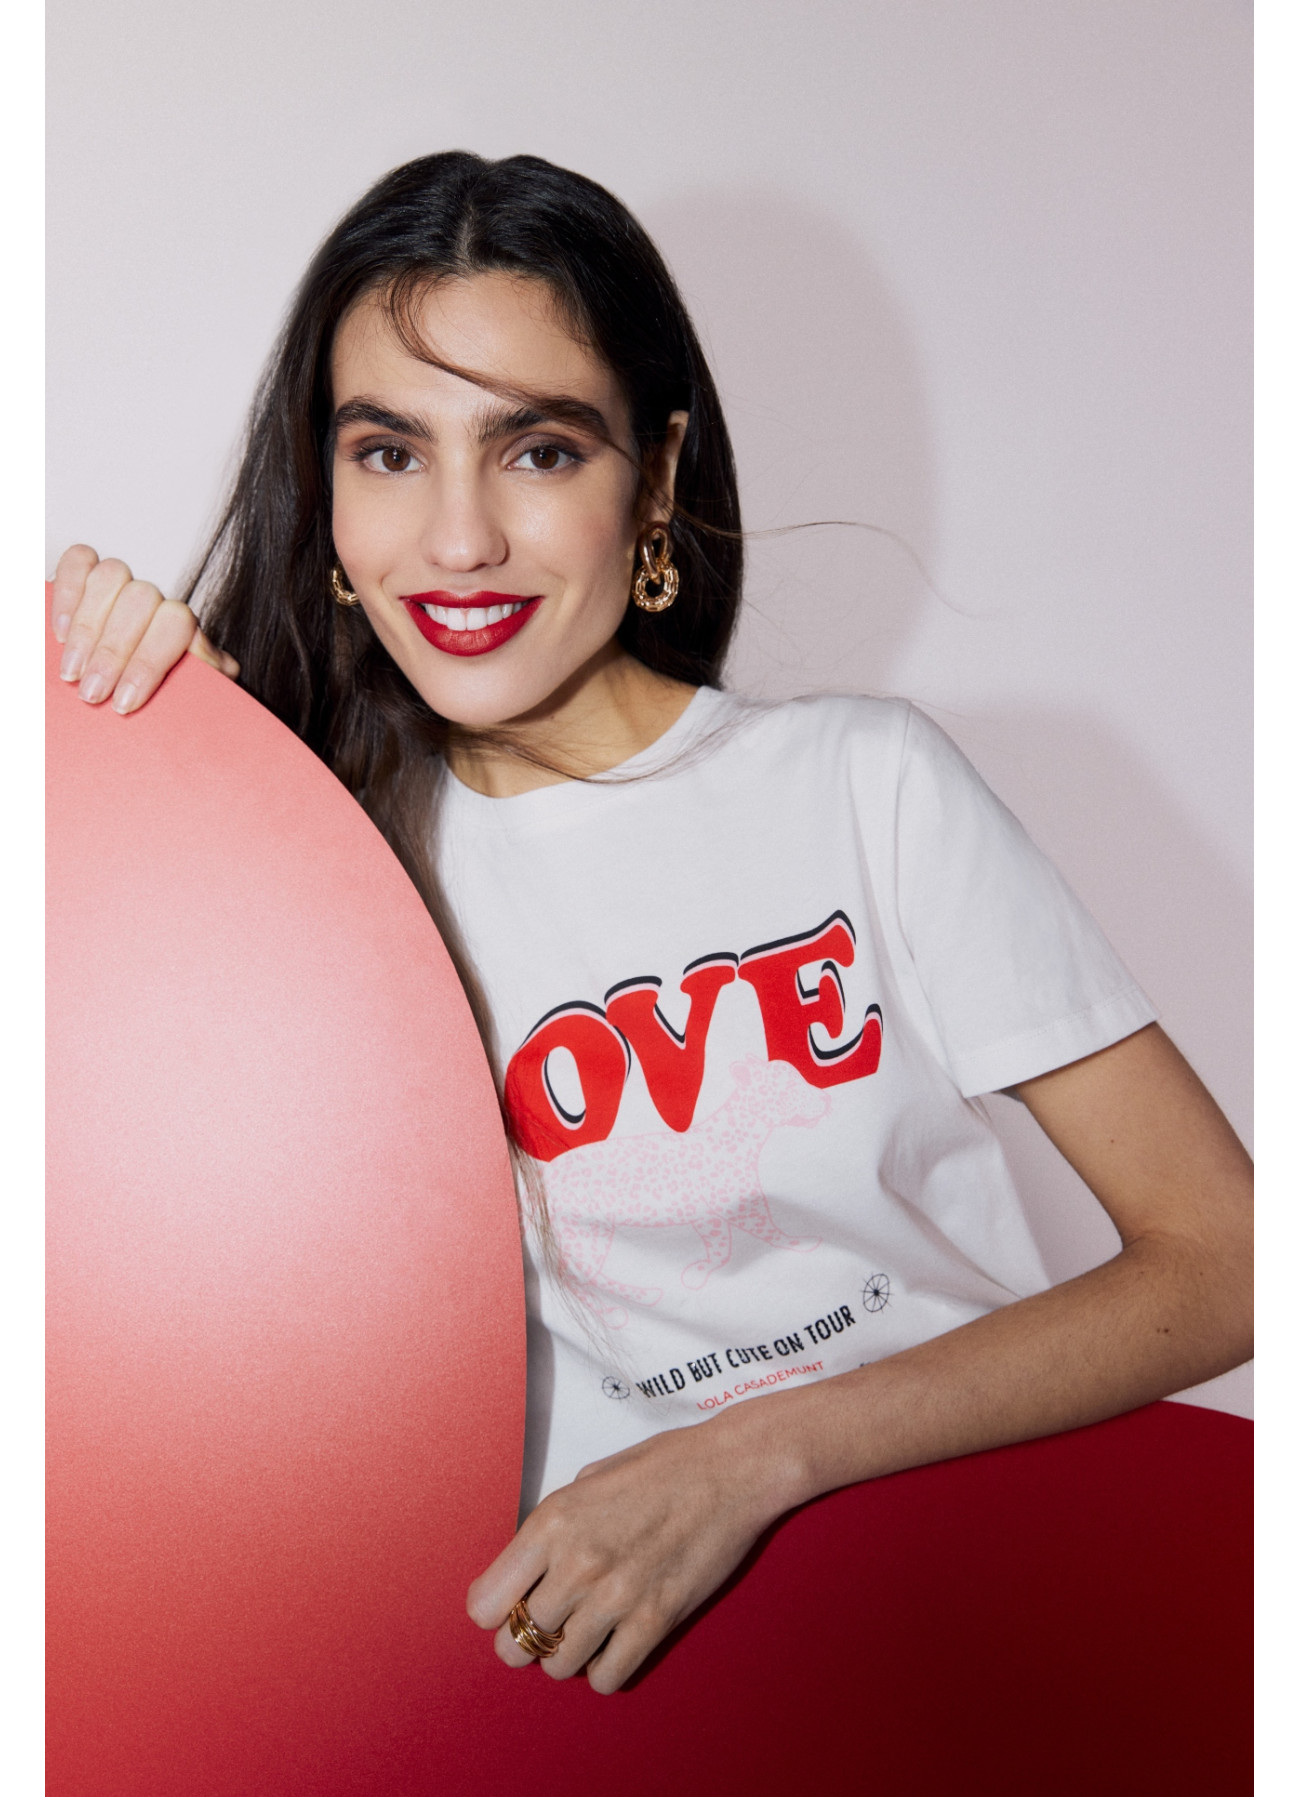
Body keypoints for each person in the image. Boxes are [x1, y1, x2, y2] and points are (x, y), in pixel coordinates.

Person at [49, 150, 1252, 1696]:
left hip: (963, 1629)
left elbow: (1229, 1258)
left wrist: (750, 1457)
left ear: (657, 474)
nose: (460, 540)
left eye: (539, 450)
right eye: (390, 453)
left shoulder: (863, 787)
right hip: (585, 1699)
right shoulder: (322, 879)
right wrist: (168, 772)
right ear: (324, 488)